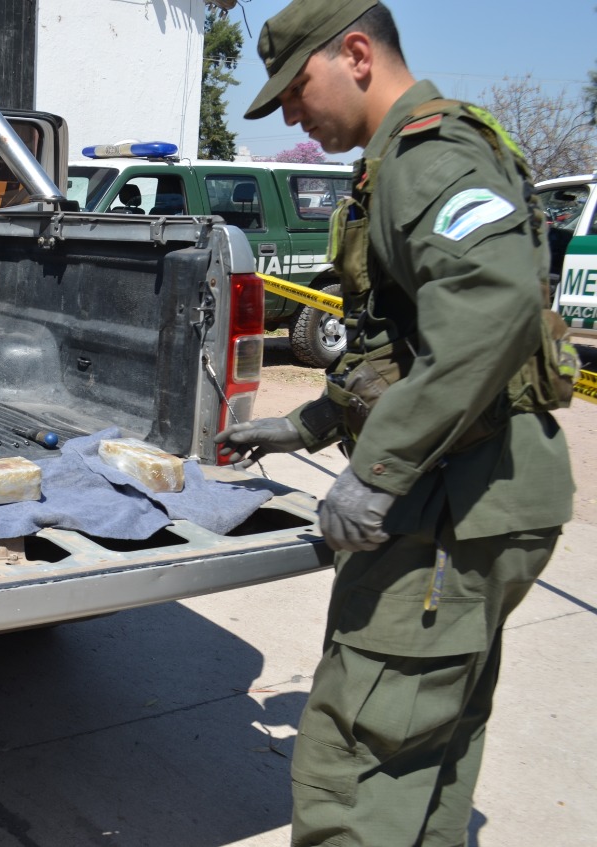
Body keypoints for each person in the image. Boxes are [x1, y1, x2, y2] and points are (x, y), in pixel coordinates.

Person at [215, 1, 575, 845]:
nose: (292, 116)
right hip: (480, 496)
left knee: (358, 758)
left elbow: (491, 308)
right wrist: (308, 424)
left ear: (356, 53)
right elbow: (405, 347)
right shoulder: (412, 157)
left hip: (452, 505)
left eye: (296, 90)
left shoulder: (428, 158)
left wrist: (376, 472)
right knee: (427, 742)